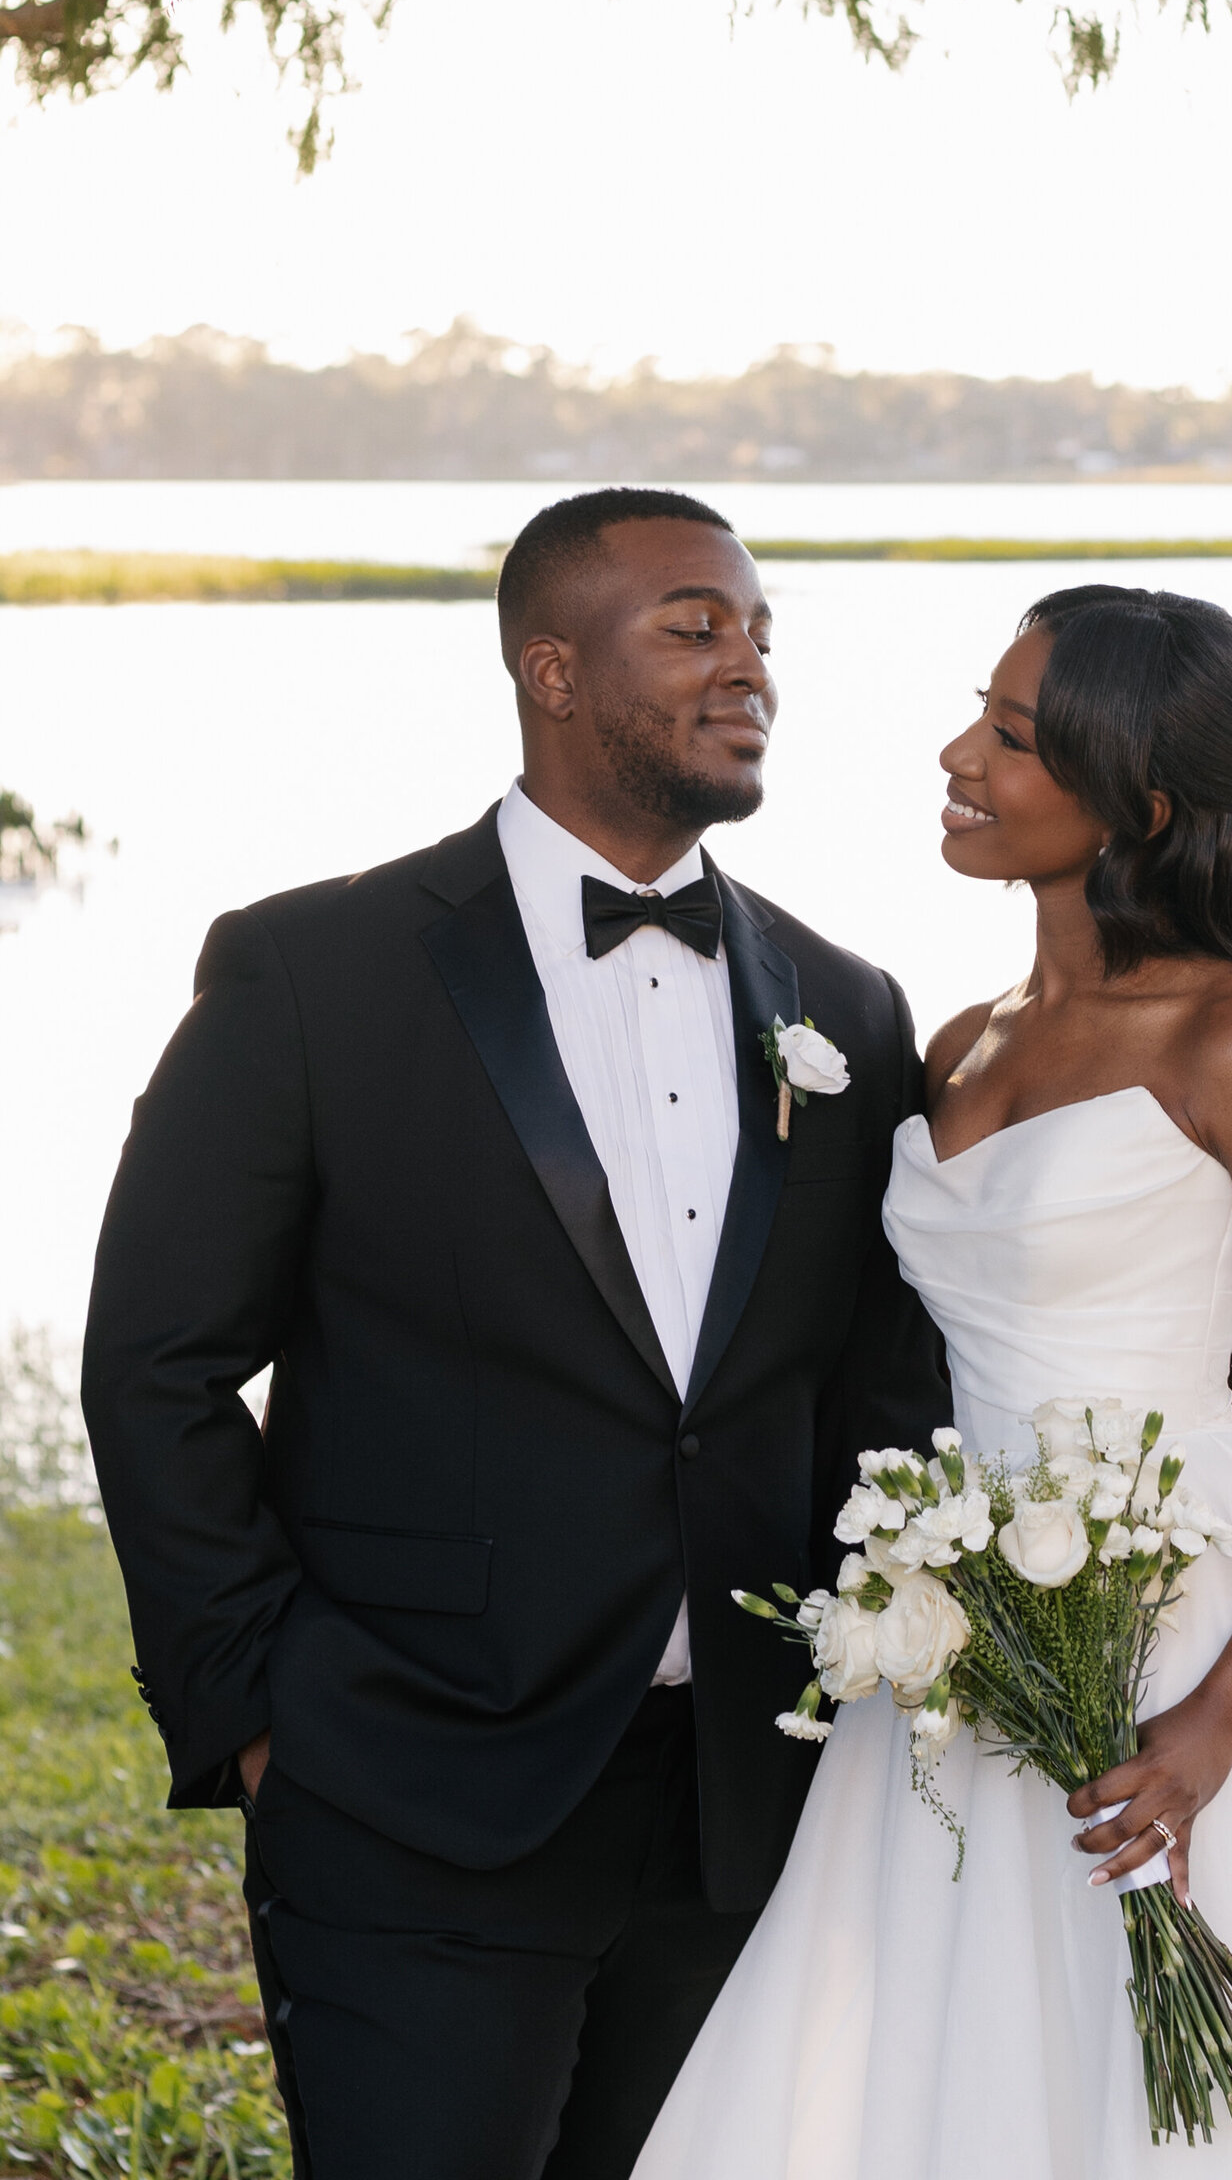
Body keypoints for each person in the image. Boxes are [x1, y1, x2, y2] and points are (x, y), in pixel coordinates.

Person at [633, 583, 1232, 2178]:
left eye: (1010, 738)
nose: (958, 754)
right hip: (957, 1637)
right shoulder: (956, 1044)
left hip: (1190, 1618)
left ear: (1139, 805)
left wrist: (1219, 1721)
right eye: (980, 713)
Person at [79, 486, 949, 2180]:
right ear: (551, 668)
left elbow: (873, 1387)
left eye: (761, 632)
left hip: (740, 1822)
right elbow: (157, 1360)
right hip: (410, 1793)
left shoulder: (845, 1008)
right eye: (695, 626)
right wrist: (260, 1704)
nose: (747, 665)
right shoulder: (313, 974)